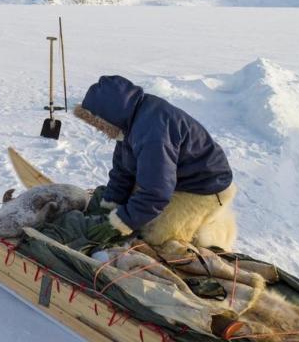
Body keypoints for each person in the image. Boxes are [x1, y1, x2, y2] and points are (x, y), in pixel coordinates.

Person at [75, 75, 237, 250]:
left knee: (157, 238)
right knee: (135, 210)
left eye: (99, 123)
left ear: (110, 112)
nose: (100, 129)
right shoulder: (131, 121)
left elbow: (156, 192)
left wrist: (118, 224)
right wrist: (110, 205)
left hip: (203, 189)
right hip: (174, 179)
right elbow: (122, 172)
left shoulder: (153, 133)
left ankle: (207, 228)